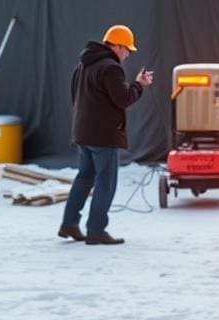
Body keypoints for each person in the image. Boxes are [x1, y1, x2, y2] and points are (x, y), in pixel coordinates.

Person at [58, 24, 153, 245]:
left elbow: (76, 96)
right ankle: (96, 230)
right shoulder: (111, 68)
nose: (128, 54)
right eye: (128, 49)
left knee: (84, 178)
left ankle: (69, 223)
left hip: (83, 132)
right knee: (105, 183)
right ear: (118, 46)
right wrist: (139, 85)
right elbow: (123, 99)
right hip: (104, 136)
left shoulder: (83, 64)